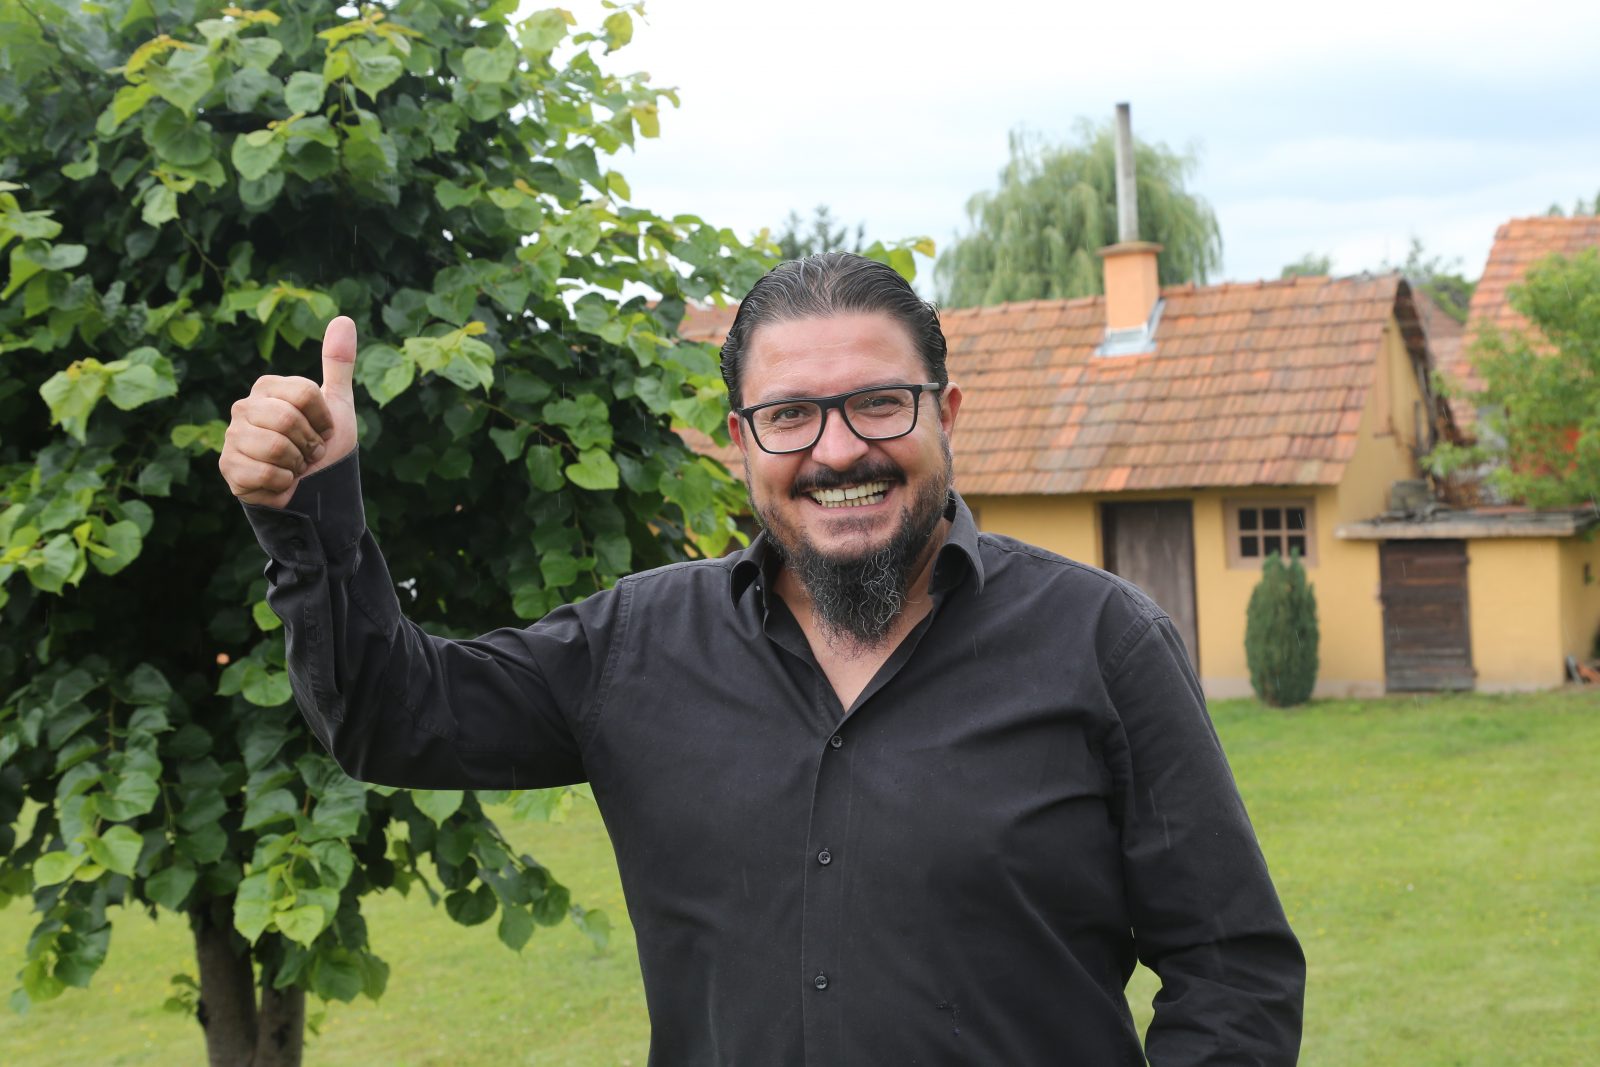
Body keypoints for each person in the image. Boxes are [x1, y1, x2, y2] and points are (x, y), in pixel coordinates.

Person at [221, 253, 1304, 1064]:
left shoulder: (1101, 641)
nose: (838, 449)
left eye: (878, 403)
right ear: (741, 442)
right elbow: (389, 716)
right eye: (790, 415)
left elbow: (1233, 970)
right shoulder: (634, 648)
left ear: (946, 413)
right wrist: (313, 511)